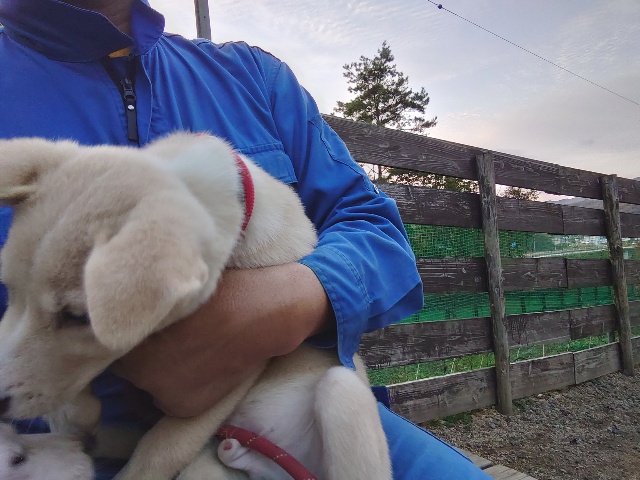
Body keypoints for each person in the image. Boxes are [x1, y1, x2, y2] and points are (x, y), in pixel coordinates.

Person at [0, 1, 492, 478]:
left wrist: (288, 303)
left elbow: (377, 231)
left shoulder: (251, 76)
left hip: (302, 416)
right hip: (52, 449)